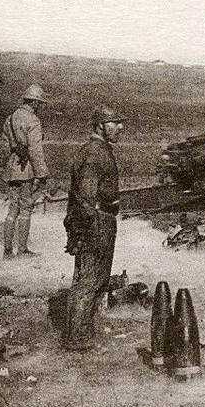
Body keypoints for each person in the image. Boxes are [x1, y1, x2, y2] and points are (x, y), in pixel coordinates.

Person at [62, 105, 125, 351]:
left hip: (98, 220)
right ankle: (77, 338)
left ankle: (82, 333)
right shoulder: (93, 154)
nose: (120, 127)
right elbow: (86, 197)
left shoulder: (98, 150)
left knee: (94, 279)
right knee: (89, 280)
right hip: (95, 222)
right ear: (100, 125)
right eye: (114, 123)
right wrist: (87, 230)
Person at [2, 84, 50, 257]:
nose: (41, 106)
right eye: (40, 103)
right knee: (26, 209)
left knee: (12, 209)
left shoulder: (10, 118)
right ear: (34, 102)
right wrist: (42, 174)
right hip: (26, 169)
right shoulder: (33, 120)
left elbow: (6, 145)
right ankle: (22, 249)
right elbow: (35, 150)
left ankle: (7, 250)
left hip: (12, 167)